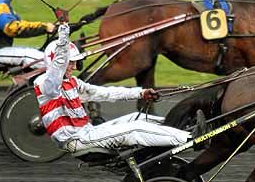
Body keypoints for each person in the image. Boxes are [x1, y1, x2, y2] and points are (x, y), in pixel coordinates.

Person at [34, 23, 203, 154]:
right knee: (134, 130)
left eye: (73, 62)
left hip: (88, 132)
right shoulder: (46, 85)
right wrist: (63, 34)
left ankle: (184, 126)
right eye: (69, 62)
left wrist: (140, 92)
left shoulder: (73, 83)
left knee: (137, 118)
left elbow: (107, 93)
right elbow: (56, 69)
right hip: (76, 140)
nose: (73, 66)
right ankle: (191, 139)